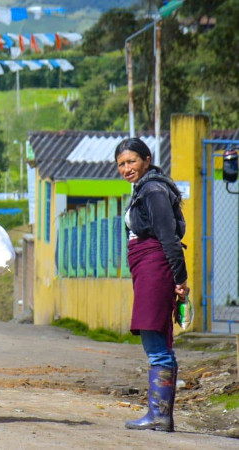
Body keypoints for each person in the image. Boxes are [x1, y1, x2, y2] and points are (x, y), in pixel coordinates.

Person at [115, 137, 189, 432]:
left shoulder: (154, 189)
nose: (126, 168)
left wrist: (180, 279)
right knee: (156, 336)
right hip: (148, 268)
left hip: (156, 268)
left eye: (131, 161)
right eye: (121, 164)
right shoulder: (146, 188)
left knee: (154, 338)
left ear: (146, 160)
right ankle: (159, 414)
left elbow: (168, 237)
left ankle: (159, 415)